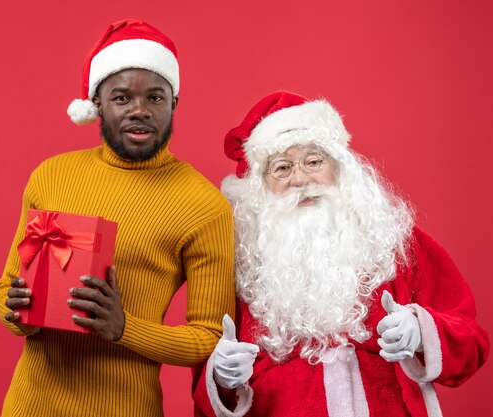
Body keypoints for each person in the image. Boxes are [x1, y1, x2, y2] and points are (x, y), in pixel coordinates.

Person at [192, 91, 490, 417]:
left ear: (339, 167)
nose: (300, 178)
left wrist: (421, 331)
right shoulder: (241, 265)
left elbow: (472, 342)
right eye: (282, 168)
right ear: (261, 186)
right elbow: (206, 390)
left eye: (314, 161)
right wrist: (221, 377)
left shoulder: (398, 242)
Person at [0, 19, 235, 417]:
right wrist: (19, 311)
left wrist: (124, 328)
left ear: (174, 102)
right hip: (29, 405)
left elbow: (209, 339)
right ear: (97, 104)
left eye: (155, 98)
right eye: (122, 98)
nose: (139, 111)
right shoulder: (51, 175)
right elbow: (5, 287)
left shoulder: (203, 204)